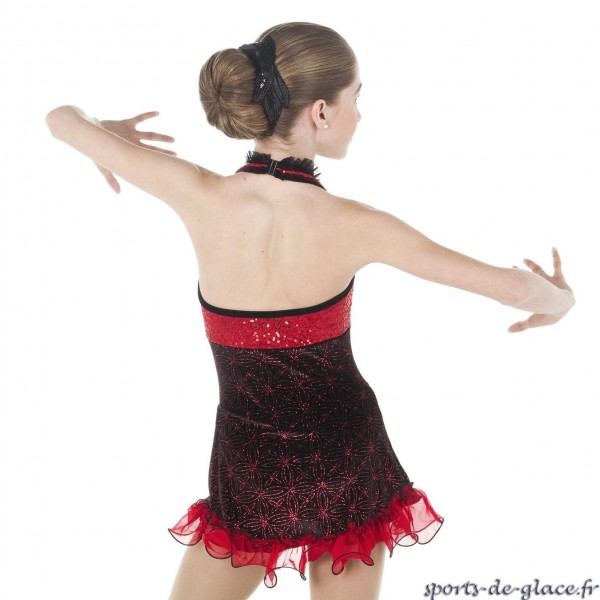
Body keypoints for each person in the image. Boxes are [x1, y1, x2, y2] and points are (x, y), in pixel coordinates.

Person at [46, 21, 575, 600]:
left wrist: (107, 133)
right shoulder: (359, 225)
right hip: (346, 458)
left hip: (248, 466)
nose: (360, 115)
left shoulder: (193, 191)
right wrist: (562, 300)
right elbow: (515, 290)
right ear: (321, 112)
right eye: (356, 99)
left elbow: (60, 120)